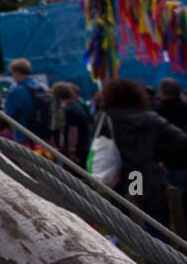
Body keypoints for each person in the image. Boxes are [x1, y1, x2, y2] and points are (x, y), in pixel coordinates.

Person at [101, 78, 187, 229]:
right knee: (153, 219)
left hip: (121, 175)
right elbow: (179, 138)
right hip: (146, 173)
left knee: (132, 216)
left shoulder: (107, 119)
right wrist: (158, 156)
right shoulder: (149, 117)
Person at [52, 82, 92, 168]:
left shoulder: (69, 110)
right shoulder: (76, 107)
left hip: (77, 151)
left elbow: (73, 130)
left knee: (75, 172)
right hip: (82, 147)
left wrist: (71, 150)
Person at [1, 58, 41, 145]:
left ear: (17, 72)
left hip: (25, 135)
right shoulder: (39, 87)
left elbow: (9, 113)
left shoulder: (17, 90)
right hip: (42, 134)